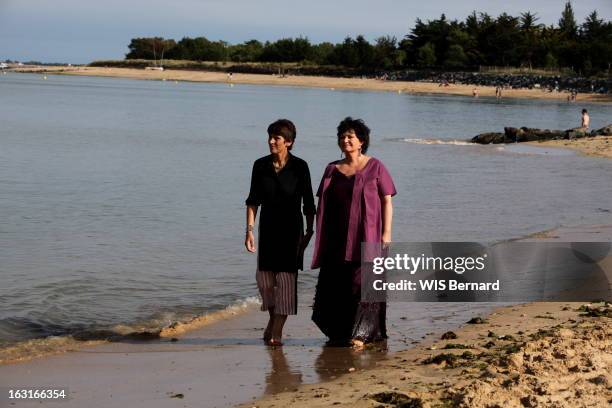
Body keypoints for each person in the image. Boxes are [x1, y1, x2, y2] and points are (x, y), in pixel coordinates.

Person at [311, 117, 396, 349]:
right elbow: (323, 204)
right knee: (337, 283)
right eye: (342, 136)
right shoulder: (331, 169)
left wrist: (386, 233)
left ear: (361, 141)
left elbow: (386, 200)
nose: (345, 140)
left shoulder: (376, 166)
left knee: (364, 283)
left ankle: (363, 333)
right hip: (336, 238)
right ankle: (338, 332)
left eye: (350, 136)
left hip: (367, 236)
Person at [245, 119, 315, 346]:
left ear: (289, 142)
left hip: (292, 232)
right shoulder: (260, 165)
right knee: (265, 282)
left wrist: (310, 231)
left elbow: (308, 203)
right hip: (267, 231)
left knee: (285, 283)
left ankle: (276, 331)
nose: (271, 141)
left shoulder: (300, 167)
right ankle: (272, 319)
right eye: (270, 137)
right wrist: (249, 230)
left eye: (276, 138)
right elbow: (253, 201)